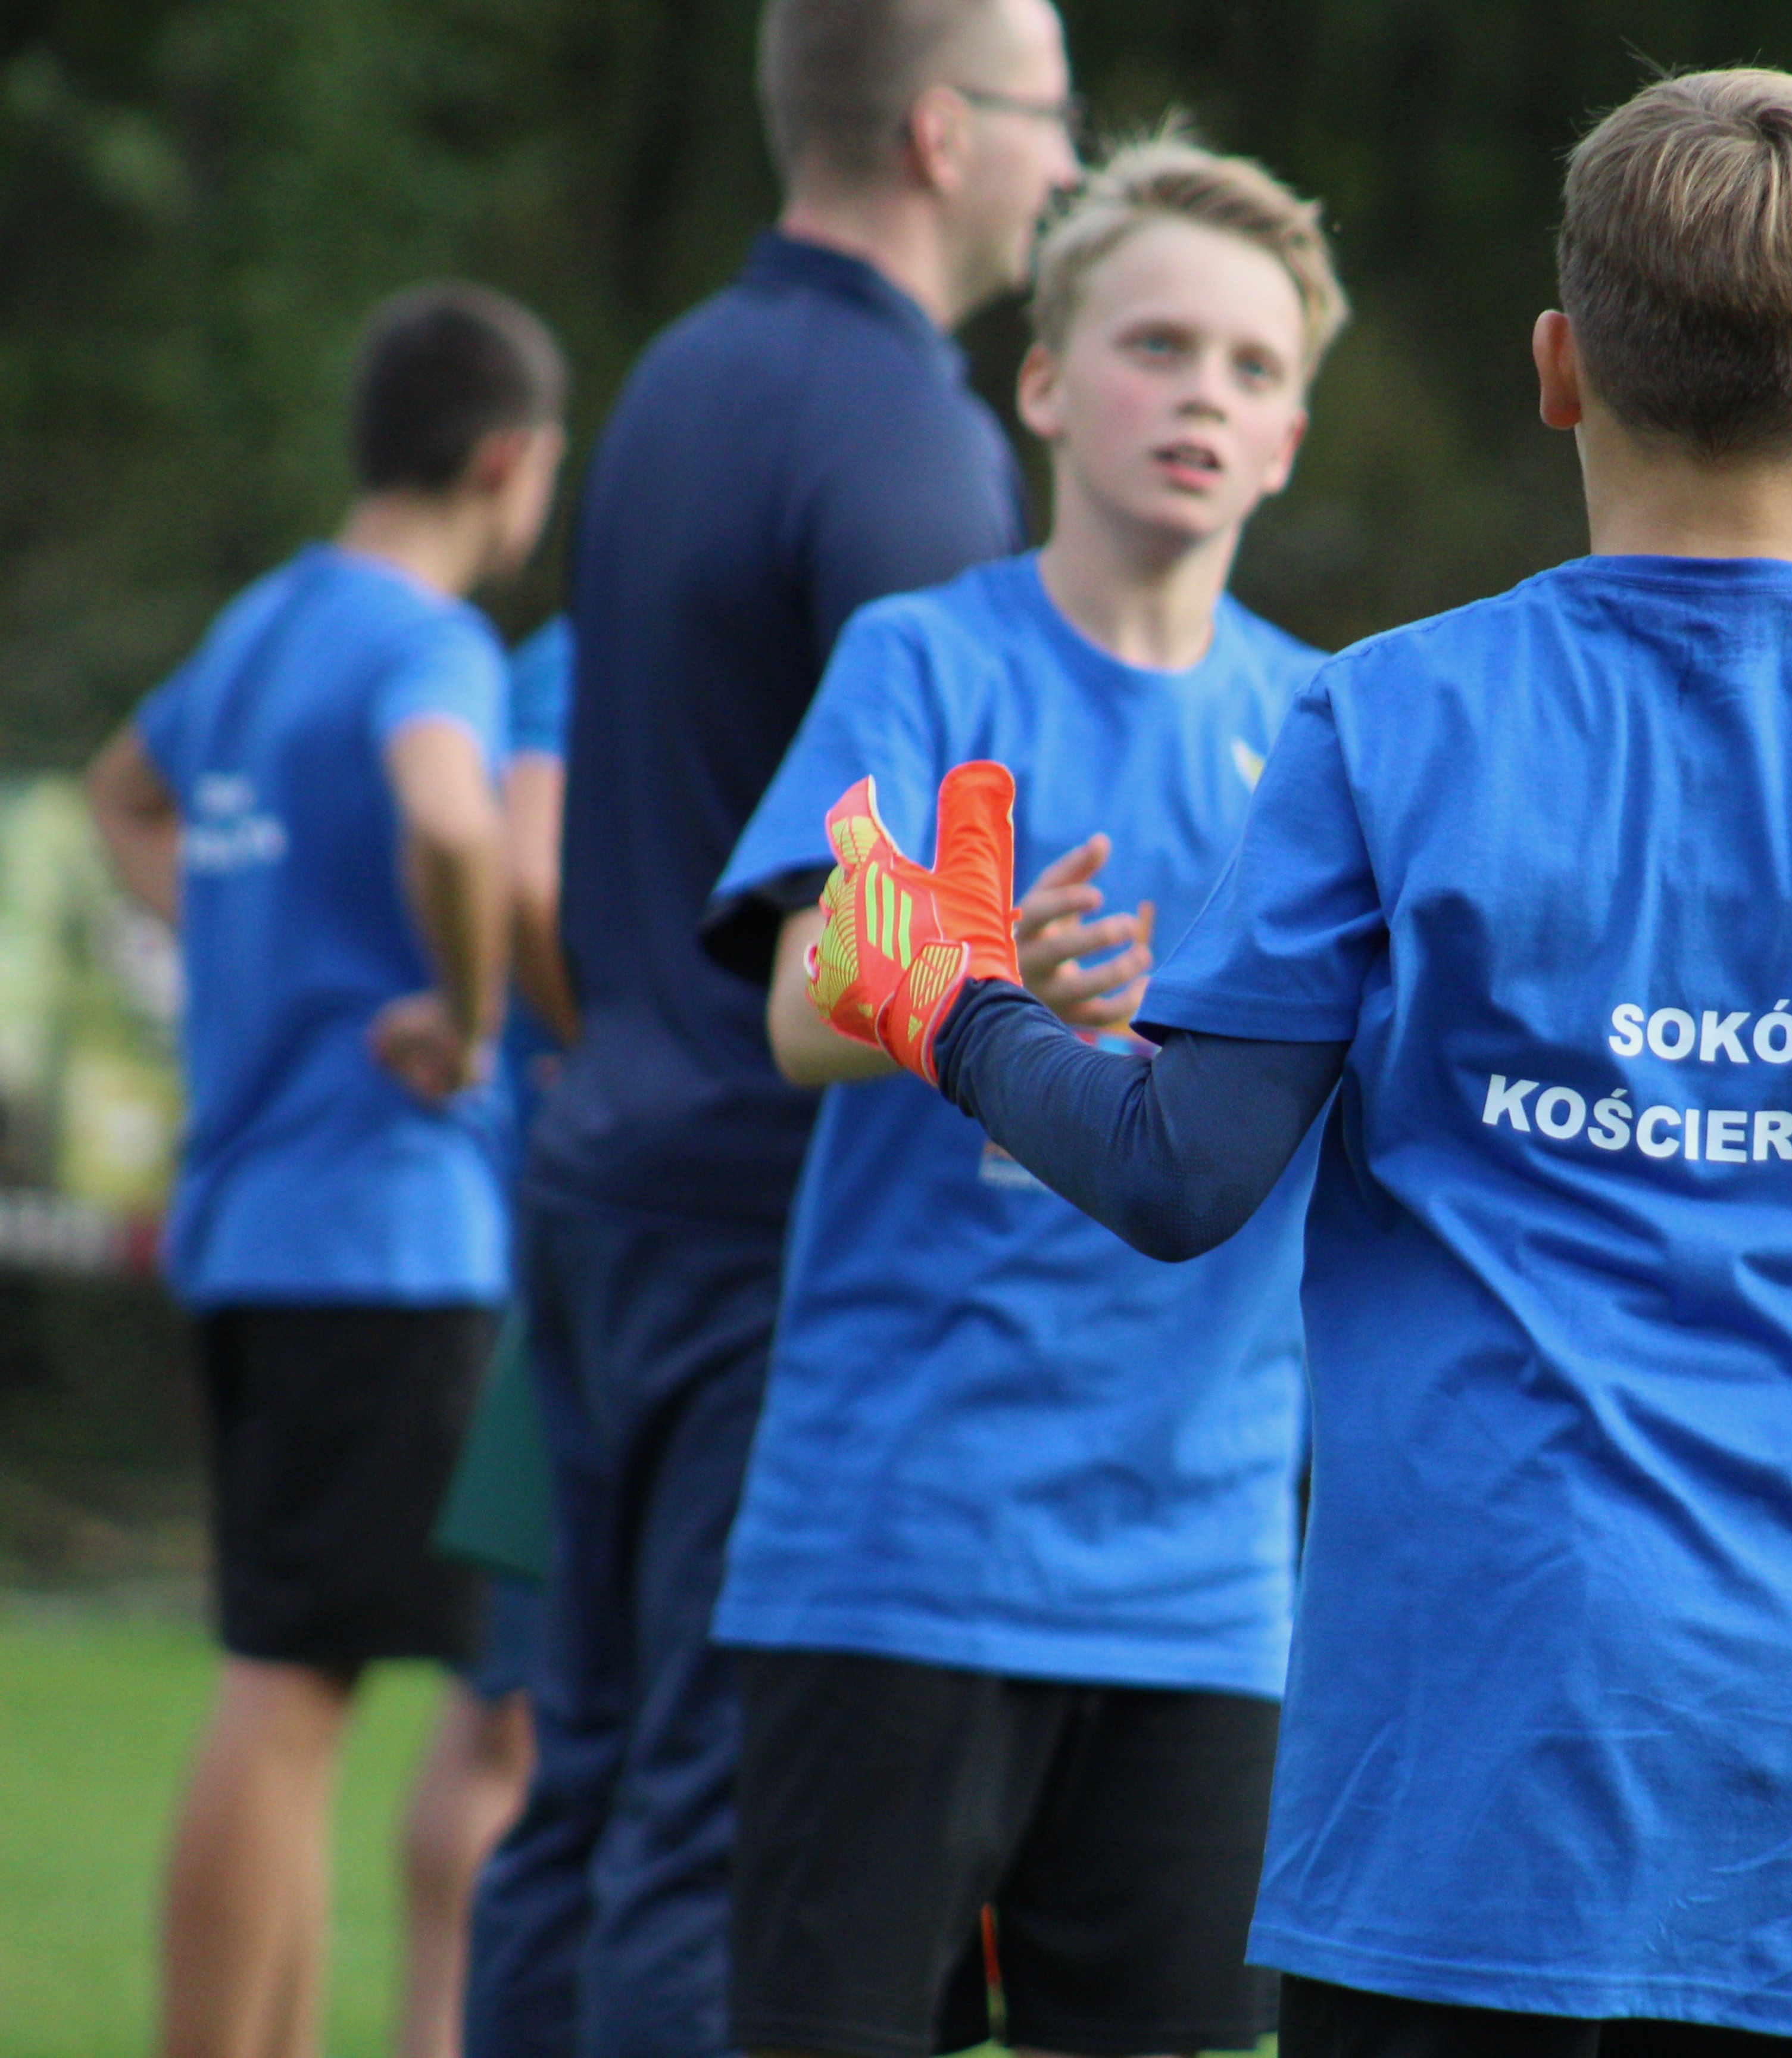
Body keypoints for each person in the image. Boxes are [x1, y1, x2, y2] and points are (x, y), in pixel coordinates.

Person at [800, 70, 1792, 2058]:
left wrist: (949, 1002)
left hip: (1449, 1713)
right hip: (1787, 1730)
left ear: (1557, 368)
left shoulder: (1387, 715)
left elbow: (1172, 1169)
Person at [464, 0, 1082, 2051]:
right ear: (934, 133)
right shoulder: (906, 435)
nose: (1068, 162)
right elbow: (924, 899)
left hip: (598, 1174)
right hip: (761, 1223)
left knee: (578, 1782)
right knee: (706, 1822)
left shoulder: (681, 373)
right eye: (1046, 113)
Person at [698, 135, 1346, 2058]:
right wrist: (983, 992)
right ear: (1048, 384)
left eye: (1247, 366)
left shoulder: (1331, 730)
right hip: (898, 1540)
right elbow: (804, 995)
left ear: (1291, 434)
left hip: (1204, 1575)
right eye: (1156, 345)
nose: (1201, 394)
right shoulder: (928, 658)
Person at [79, 282, 567, 2058]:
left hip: (246, 1226)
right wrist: (463, 1002)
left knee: (301, 1686)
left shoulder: (263, 623)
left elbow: (120, 795)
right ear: (510, 463)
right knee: (290, 1698)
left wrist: (236, 943)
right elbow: (456, 821)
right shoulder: (427, 641)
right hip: (378, 1235)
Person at [407, 611, 579, 2058]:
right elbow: (525, 874)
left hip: (598, 1257)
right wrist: (640, 1066)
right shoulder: (589, 658)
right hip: (580, 1260)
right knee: (509, 1721)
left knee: (519, 1719)